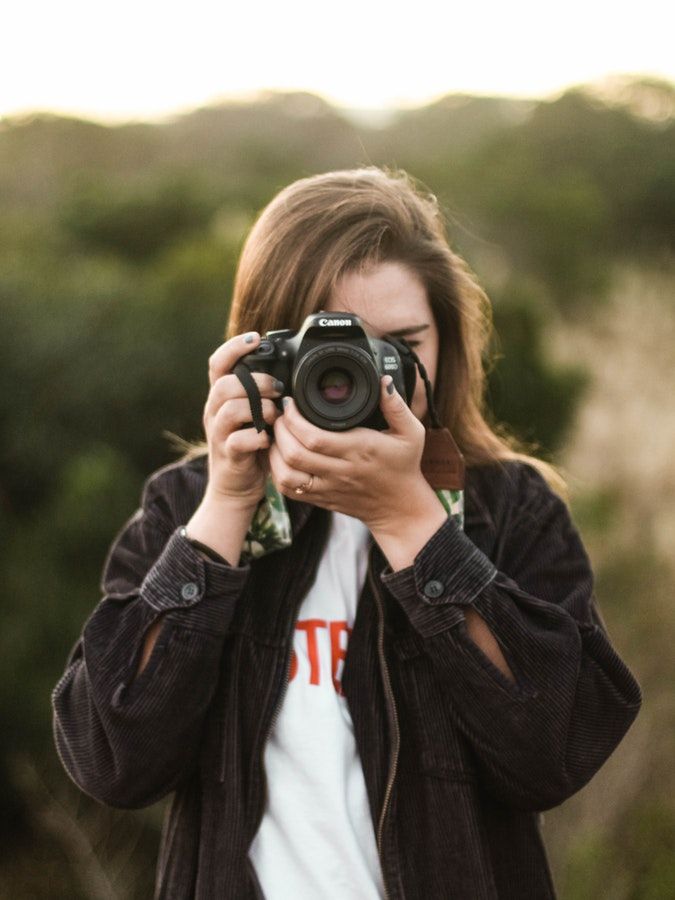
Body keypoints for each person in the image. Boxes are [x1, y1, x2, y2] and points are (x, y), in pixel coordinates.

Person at [52, 167, 641, 899]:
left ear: (445, 344)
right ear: (257, 353)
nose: (363, 377)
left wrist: (410, 522)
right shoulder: (189, 506)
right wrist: (225, 508)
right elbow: (112, 761)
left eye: (400, 344)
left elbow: (554, 751)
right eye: (331, 354)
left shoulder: (509, 509)